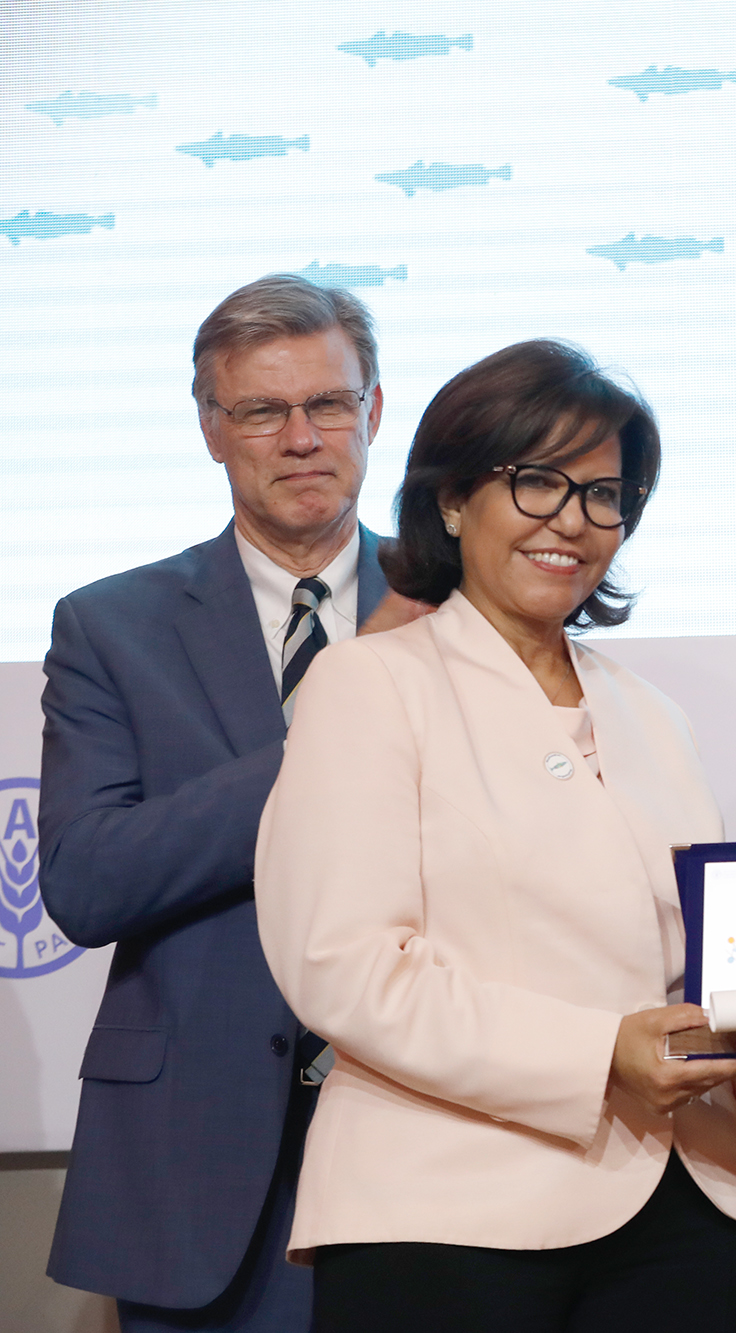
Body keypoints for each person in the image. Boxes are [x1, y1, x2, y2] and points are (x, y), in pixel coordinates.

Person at [253, 339, 736, 1333]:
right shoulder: (371, 684)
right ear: (453, 499)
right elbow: (344, 967)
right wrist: (602, 1053)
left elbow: (688, 977)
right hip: (450, 1218)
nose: (572, 521)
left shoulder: (653, 714)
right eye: (537, 481)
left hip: (693, 1215)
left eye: (603, 494)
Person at [39, 274, 412, 1331]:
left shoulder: (461, 611)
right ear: (210, 428)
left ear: (374, 411)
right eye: (261, 410)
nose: (301, 437)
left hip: (433, 1144)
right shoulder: (111, 626)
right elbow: (85, 880)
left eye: (328, 403)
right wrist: (324, 738)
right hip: (198, 1160)